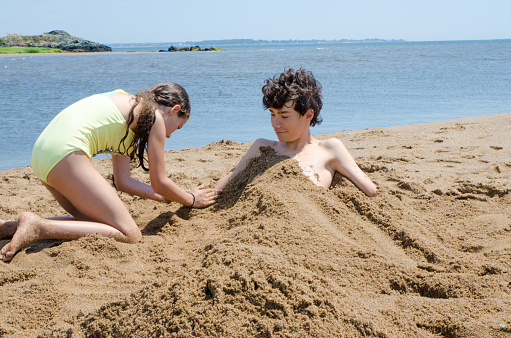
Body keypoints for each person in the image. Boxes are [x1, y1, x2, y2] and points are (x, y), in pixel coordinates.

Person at [0, 83, 217, 262]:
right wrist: (190, 199)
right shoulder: (156, 119)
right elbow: (160, 182)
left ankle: (14, 226)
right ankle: (39, 227)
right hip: (65, 152)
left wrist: (172, 196)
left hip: (42, 154)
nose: (170, 136)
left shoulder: (128, 104)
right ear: (175, 110)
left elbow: (123, 181)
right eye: (177, 128)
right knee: (130, 234)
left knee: (99, 224)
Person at [215, 68, 377, 197]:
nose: (275, 123)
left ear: (308, 115)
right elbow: (231, 179)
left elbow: (370, 190)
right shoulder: (262, 147)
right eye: (272, 114)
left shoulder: (329, 148)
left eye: (284, 116)